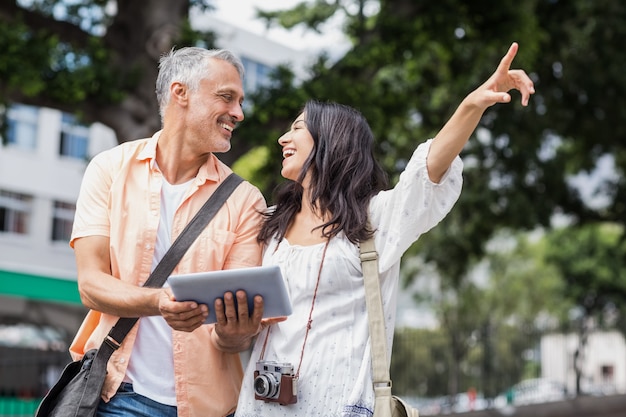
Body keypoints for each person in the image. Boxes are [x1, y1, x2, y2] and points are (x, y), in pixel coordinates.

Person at [234, 42, 535, 417]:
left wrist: (473, 104)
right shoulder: (271, 224)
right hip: (261, 407)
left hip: (340, 407)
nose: (283, 139)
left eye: (297, 128)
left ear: (330, 141)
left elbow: (427, 173)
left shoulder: (374, 219)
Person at [69, 47, 272, 417]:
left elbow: (235, 337)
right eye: (226, 97)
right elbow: (91, 284)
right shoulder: (110, 169)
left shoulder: (246, 201)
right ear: (181, 93)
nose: (239, 114)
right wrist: (159, 302)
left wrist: (235, 330)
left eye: (241, 102)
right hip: (117, 397)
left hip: (206, 408)